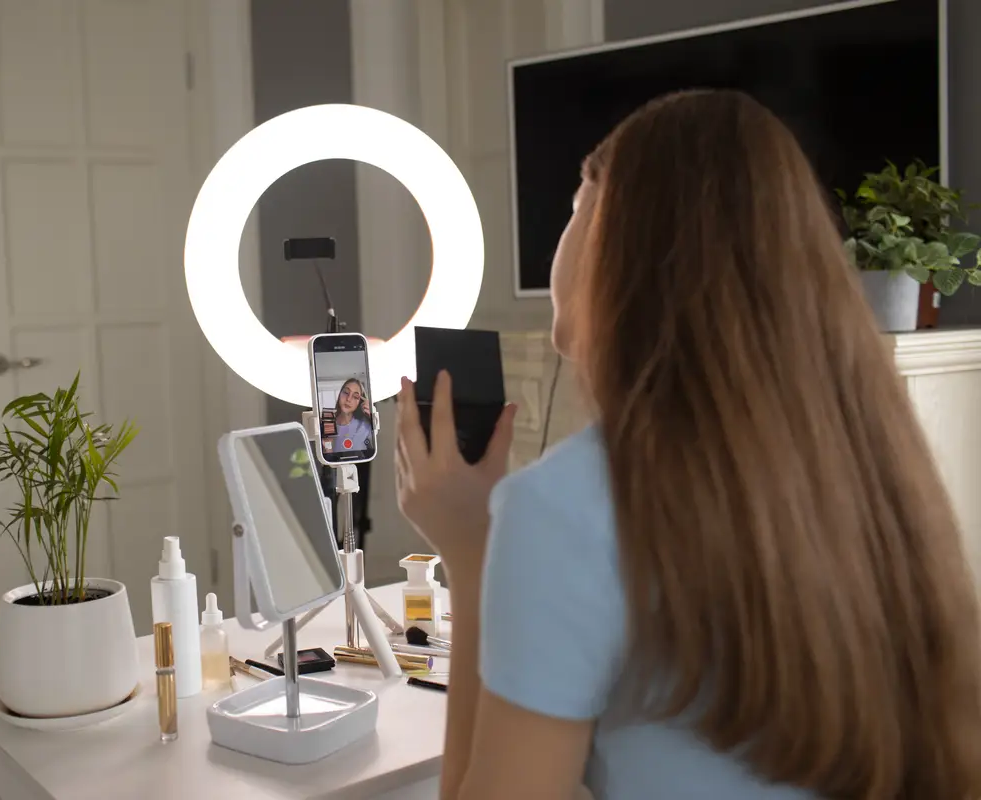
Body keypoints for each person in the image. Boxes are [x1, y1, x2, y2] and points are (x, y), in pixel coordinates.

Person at [394, 89, 981, 799]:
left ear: (615, 235)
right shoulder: (875, 471)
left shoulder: (559, 509)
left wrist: (473, 554)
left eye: (576, 206)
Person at [328, 378, 372, 454]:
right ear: (339, 395)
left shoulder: (365, 425)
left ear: (360, 402)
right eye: (345, 392)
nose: (348, 399)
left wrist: (372, 415)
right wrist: (327, 447)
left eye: (355, 396)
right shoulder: (328, 425)